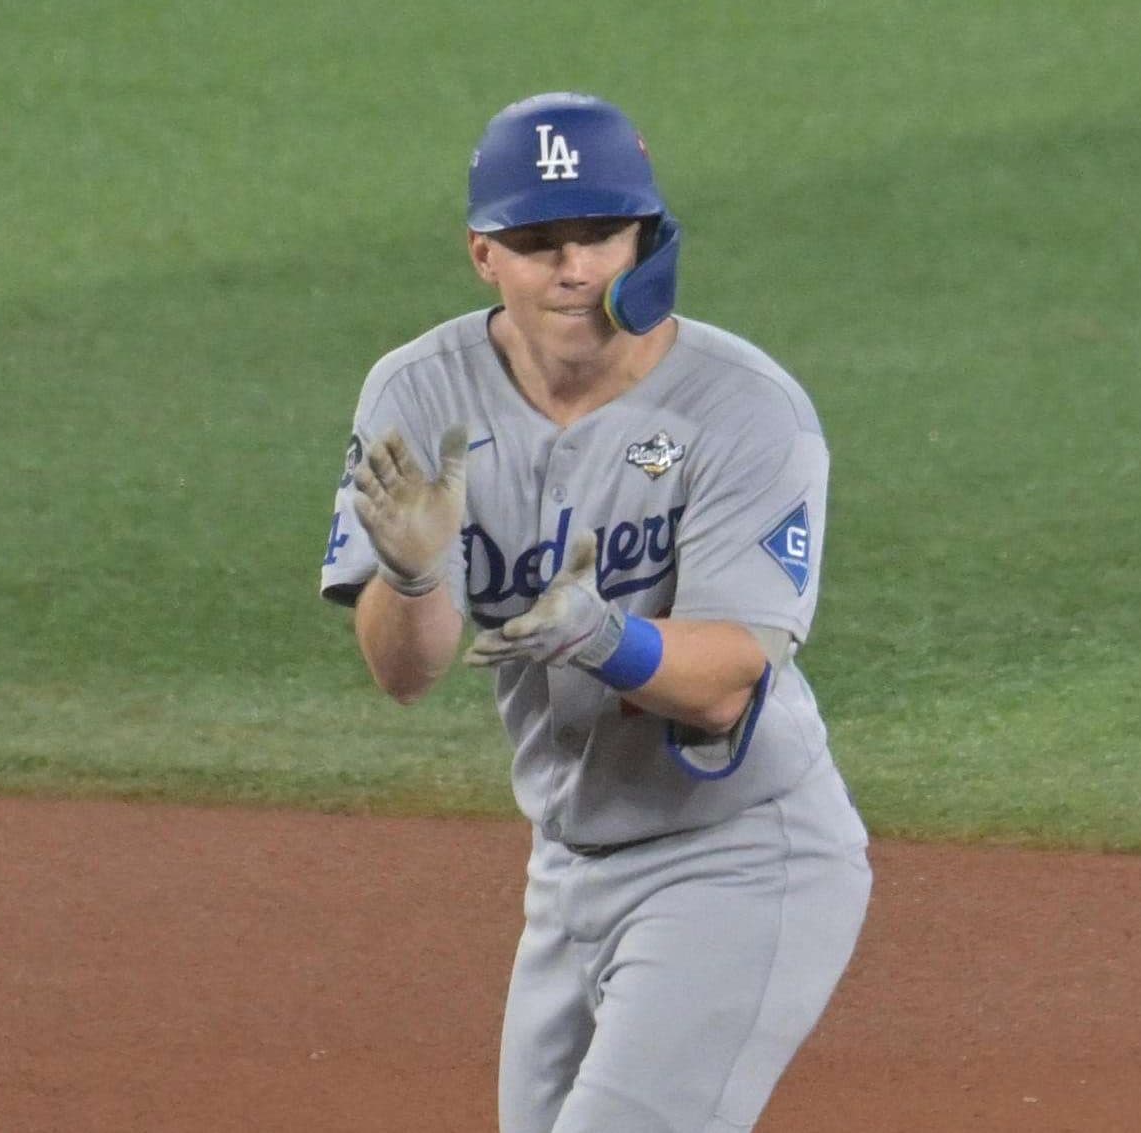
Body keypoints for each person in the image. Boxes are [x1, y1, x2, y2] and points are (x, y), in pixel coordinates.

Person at [320, 91, 872, 1133]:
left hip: (739, 852)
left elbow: (728, 682)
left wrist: (600, 635)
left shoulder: (746, 409)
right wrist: (412, 577)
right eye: (539, 242)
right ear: (484, 255)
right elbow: (405, 674)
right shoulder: (418, 393)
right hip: (564, 869)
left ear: (645, 237)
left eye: (601, 234)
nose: (574, 267)